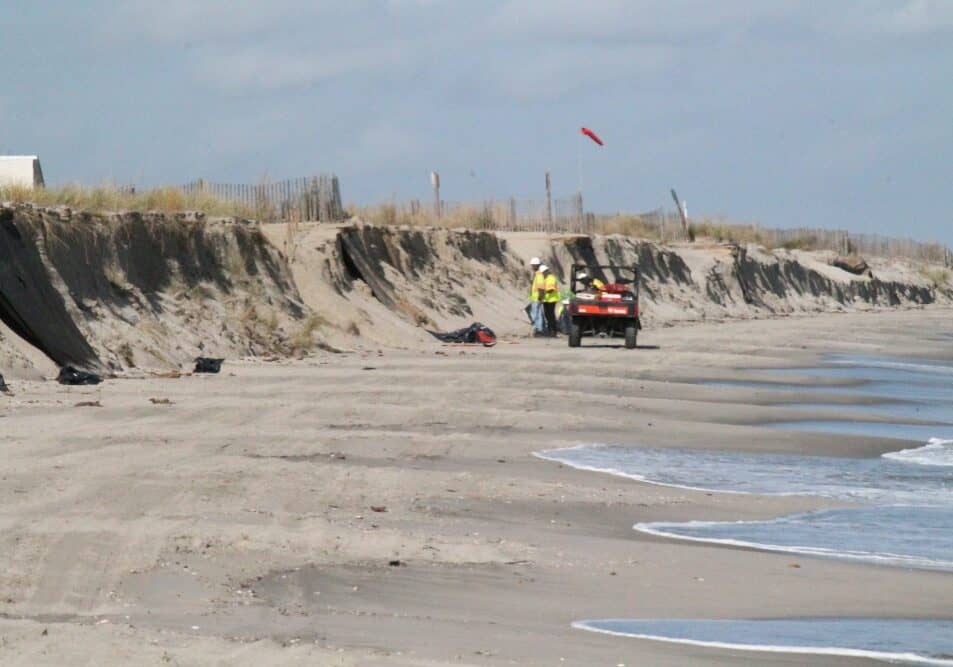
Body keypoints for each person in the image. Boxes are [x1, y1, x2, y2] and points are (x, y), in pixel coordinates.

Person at [538, 264, 560, 336]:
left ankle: (553, 331)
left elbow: (550, 290)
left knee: (551, 315)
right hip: (546, 300)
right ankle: (550, 329)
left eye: (543, 272)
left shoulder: (551, 278)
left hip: (552, 299)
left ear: (546, 271)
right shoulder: (544, 278)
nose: (542, 274)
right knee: (547, 315)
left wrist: (542, 294)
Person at [527, 257, 546, 335]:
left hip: (537, 298)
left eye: (532, 265)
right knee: (537, 314)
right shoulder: (537, 274)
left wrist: (540, 298)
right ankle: (539, 329)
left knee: (536, 314)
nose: (531, 267)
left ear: (536, 265)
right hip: (535, 298)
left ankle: (539, 329)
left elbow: (541, 287)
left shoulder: (539, 274)